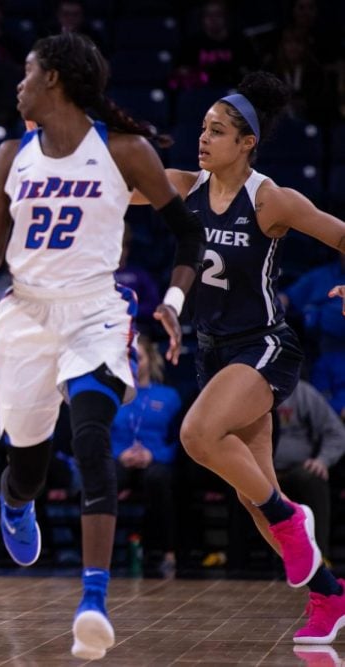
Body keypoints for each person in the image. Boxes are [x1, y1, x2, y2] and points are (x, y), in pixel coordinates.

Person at [0, 33, 205, 660]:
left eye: (28, 72)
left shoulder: (124, 152)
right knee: (30, 469)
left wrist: (171, 305)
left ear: (55, 81)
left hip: (94, 310)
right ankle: (15, 502)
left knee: (93, 441)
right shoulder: (13, 154)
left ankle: (93, 601)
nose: (19, 83)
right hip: (25, 317)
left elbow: (189, 238)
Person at [129, 71, 345, 644]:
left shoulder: (271, 199)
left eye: (218, 131)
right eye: (202, 127)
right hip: (213, 352)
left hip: (266, 347)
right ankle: (330, 593)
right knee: (256, 500)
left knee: (198, 435)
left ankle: (295, 520)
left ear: (247, 142)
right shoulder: (181, 185)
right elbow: (113, 183)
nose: (204, 138)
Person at [111, 335, 181, 577]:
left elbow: (178, 441)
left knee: (158, 479)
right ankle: (99, 553)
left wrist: (154, 455)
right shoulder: (114, 395)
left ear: (150, 359)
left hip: (155, 460)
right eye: (128, 357)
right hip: (121, 459)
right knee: (104, 479)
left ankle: (166, 550)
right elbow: (102, 436)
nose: (133, 363)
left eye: (137, 357)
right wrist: (120, 454)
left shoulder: (169, 396)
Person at [275, 379, 345, 561]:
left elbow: (337, 432)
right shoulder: (246, 391)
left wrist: (323, 460)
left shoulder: (303, 392)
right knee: (237, 483)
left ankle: (319, 559)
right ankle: (237, 559)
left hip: (296, 470)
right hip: (257, 468)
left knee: (313, 477)